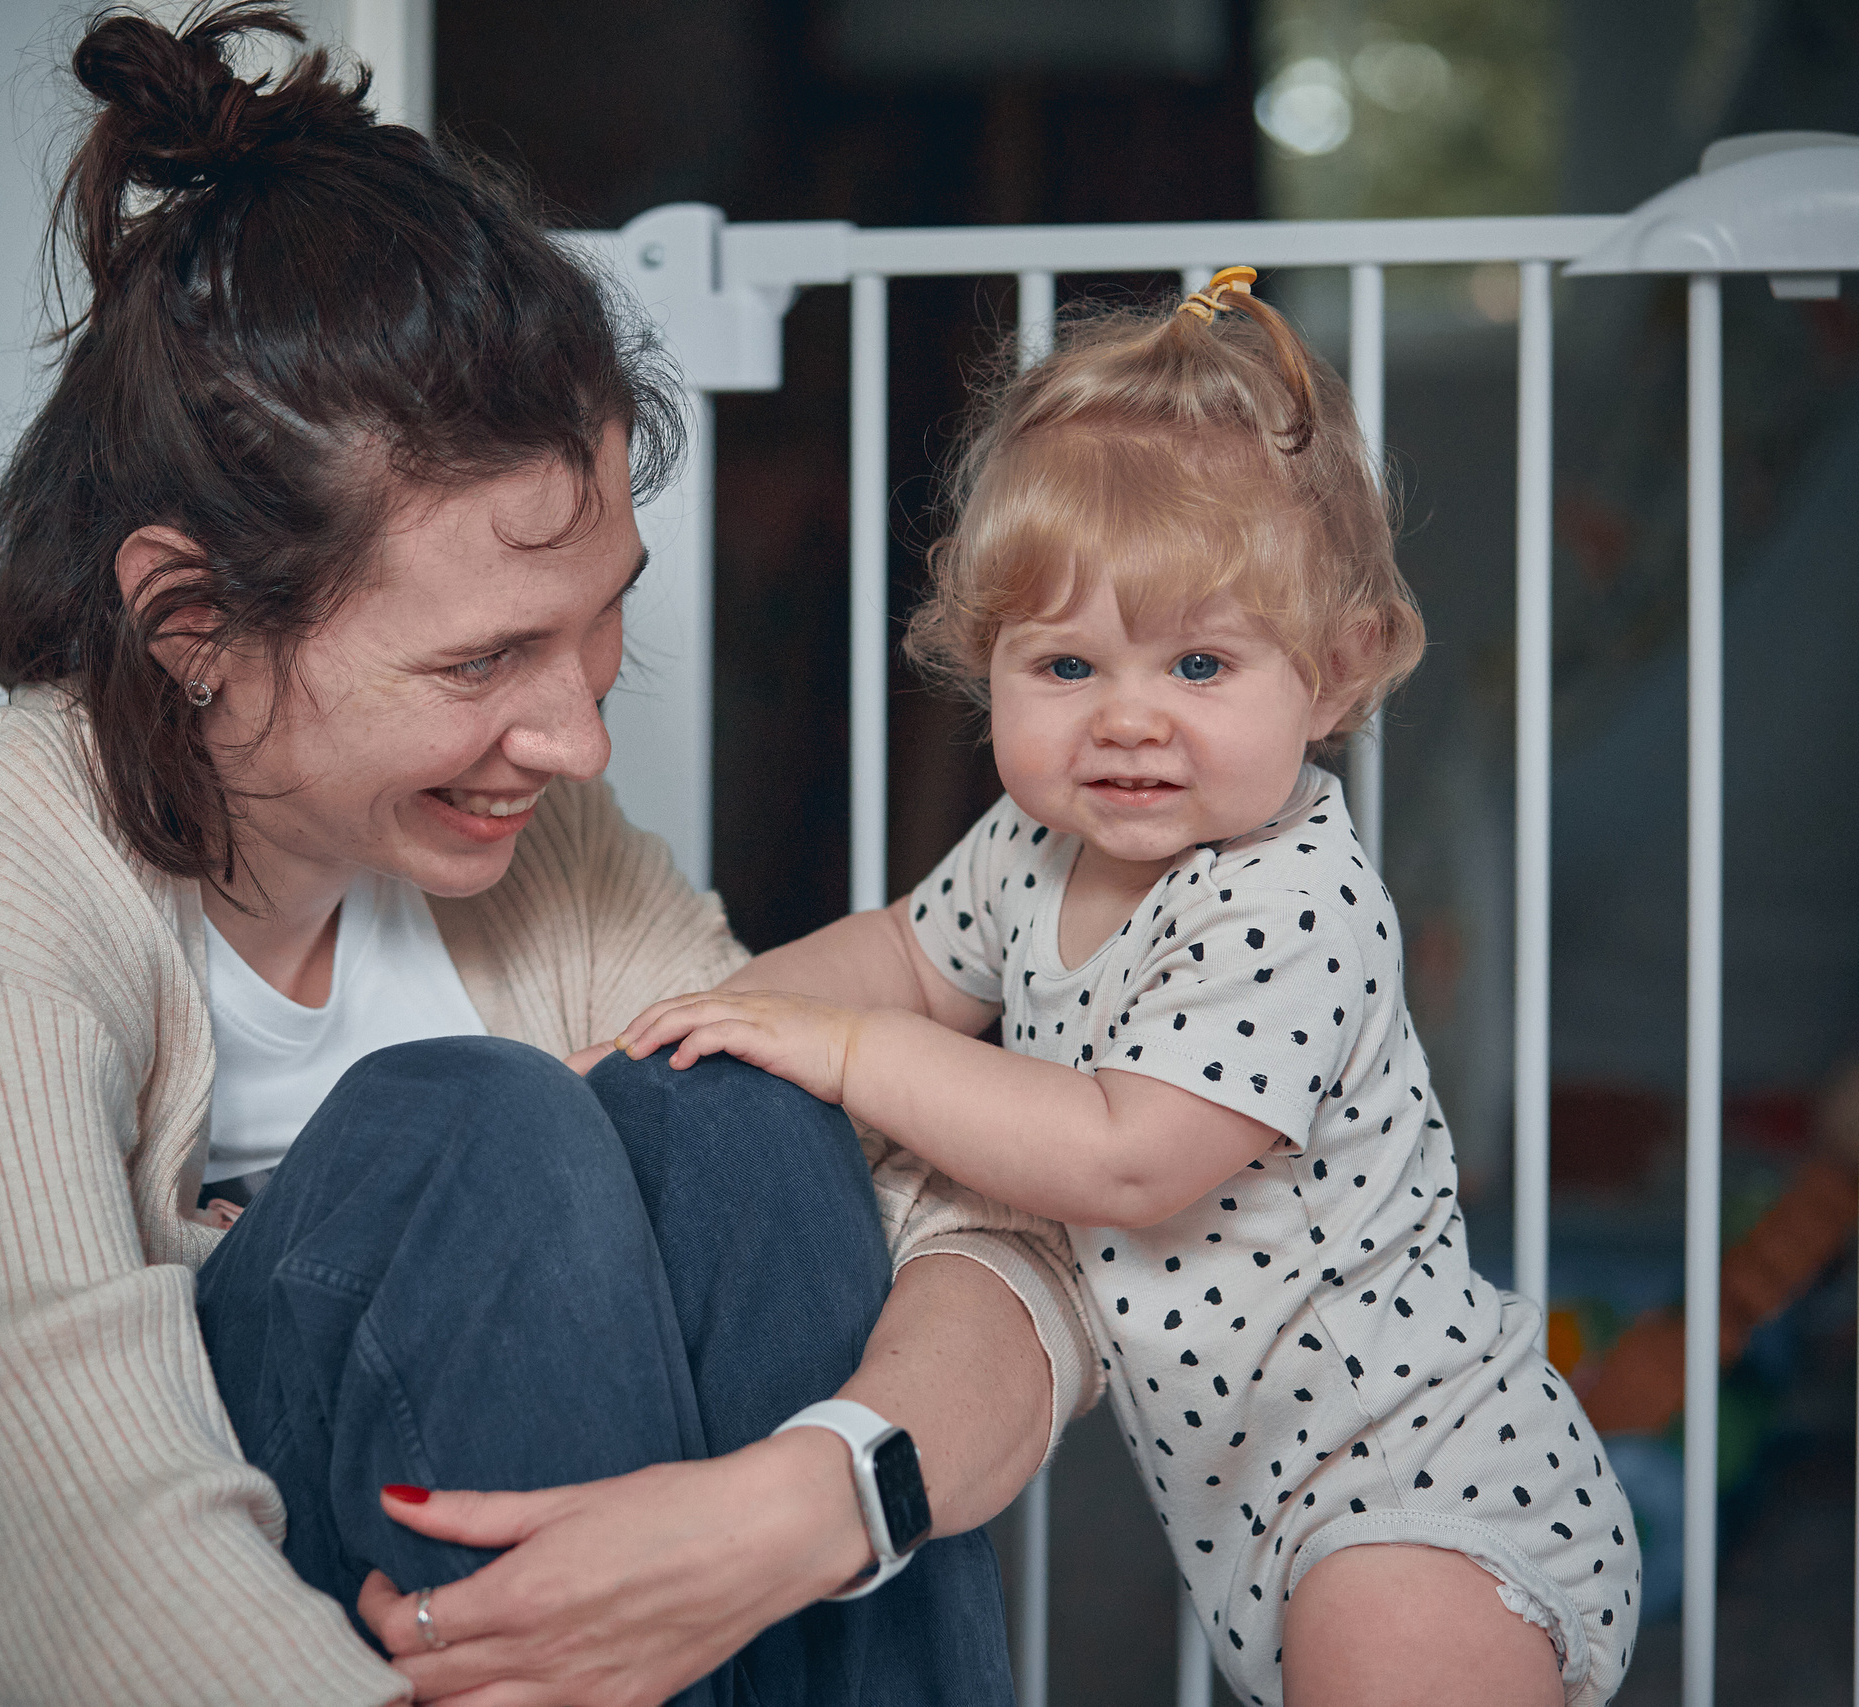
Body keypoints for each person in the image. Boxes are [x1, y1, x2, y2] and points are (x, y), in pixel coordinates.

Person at [0, 7, 1094, 1705]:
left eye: (600, 628)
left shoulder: (549, 857)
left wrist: (815, 1500)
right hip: (22, 1672)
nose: (578, 740)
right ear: (191, 623)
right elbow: (104, 1590)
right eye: (476, 664)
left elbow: (982, 1247)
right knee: (477, 1131)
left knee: (746, 1122)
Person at [617, 270, 1640, 1707]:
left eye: (1203, 662)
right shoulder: (1039, 846)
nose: (1129, 719)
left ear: (1336, 676)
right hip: (1249, 1510)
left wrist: (847, 1054)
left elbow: (1124, 1153)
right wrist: (712, 1024)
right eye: (1069, 663)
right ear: (991, 669)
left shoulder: (1296, 904)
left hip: (1422, 1480)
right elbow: (908, 958)